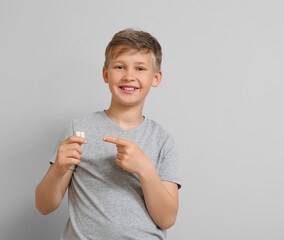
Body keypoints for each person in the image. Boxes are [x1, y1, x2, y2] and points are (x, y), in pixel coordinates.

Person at [35, 28, 181, 239]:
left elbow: (167, 219)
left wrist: (145, 169)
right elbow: (44, 206)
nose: (129, 76)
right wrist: (57, 170)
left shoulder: (163, 140)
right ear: (106, 74)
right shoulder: (79, 130)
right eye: (120, 67)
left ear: (156, 78)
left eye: (140, 68)